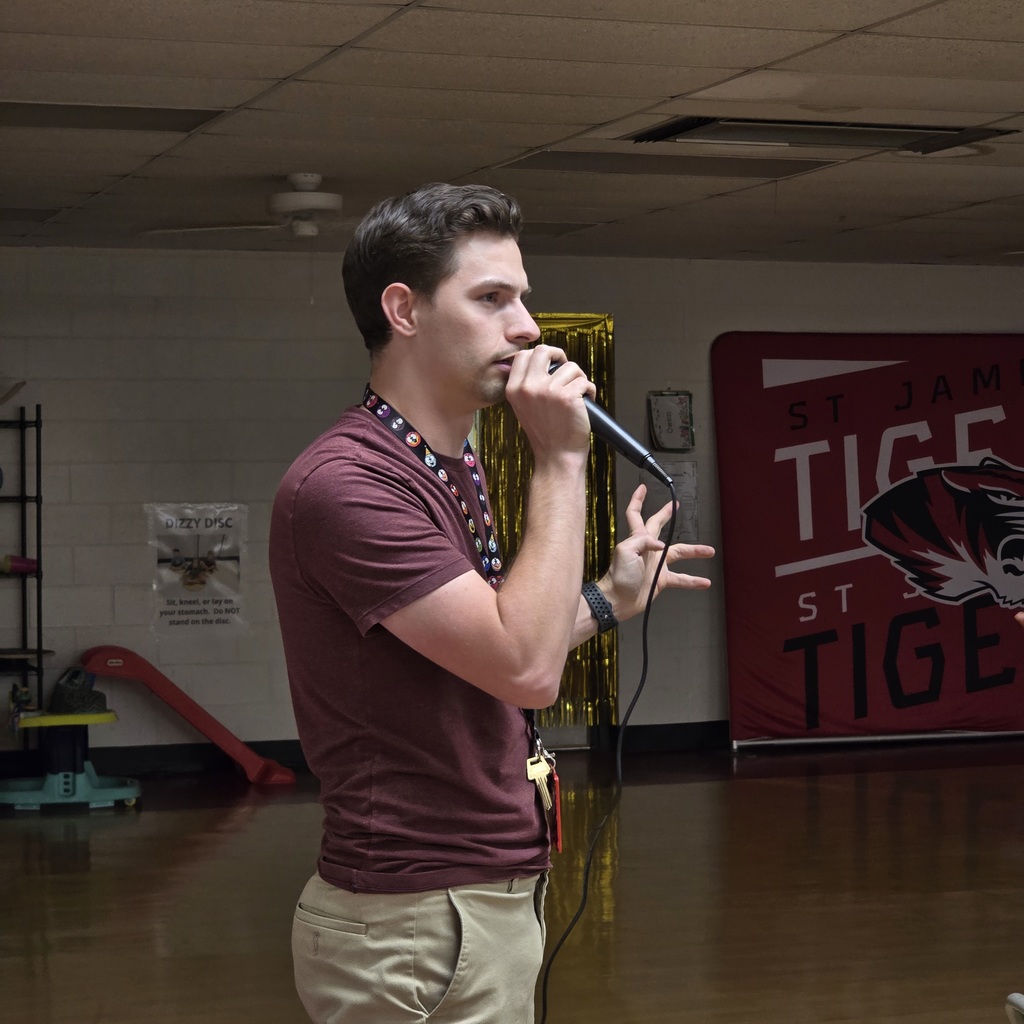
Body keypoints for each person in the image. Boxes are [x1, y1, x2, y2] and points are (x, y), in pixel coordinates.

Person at [269, 181, 715, 1024]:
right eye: (491, 298)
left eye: (524, 299)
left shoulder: (453, 464)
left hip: (479, 895)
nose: (528, 327)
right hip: (413, 916)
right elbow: (526, 668)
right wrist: (558, 463)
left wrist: (612, 597)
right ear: (403, 310)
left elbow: (493, 648)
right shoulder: (348, 485)